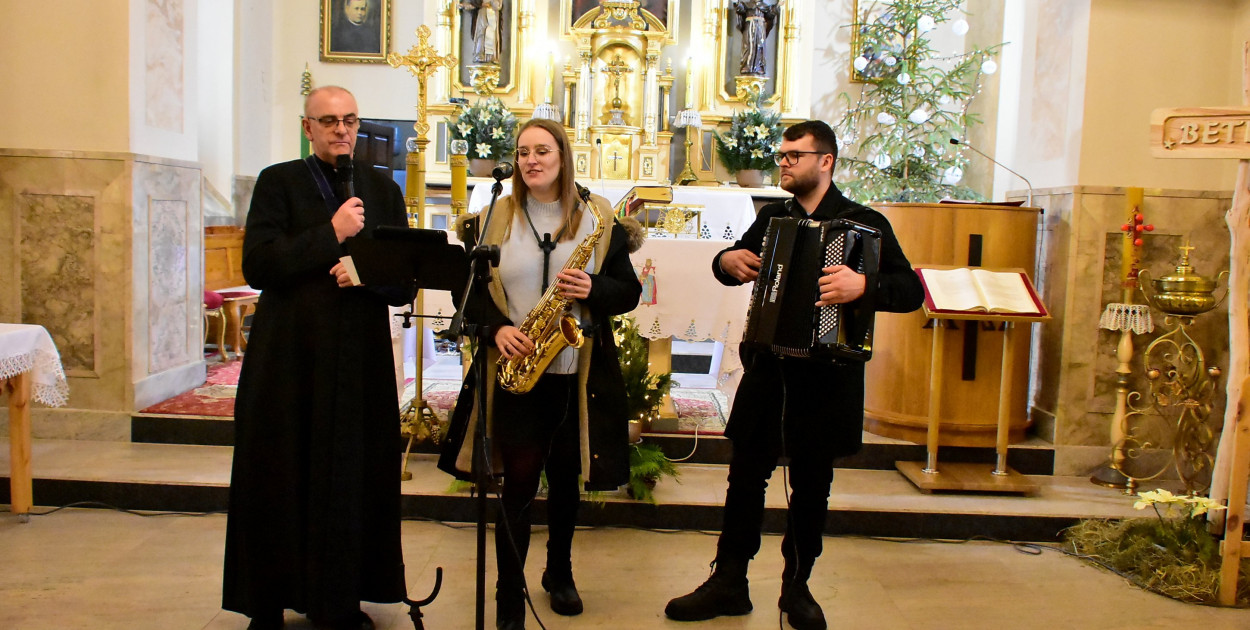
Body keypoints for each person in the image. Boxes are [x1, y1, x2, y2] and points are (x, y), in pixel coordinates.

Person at [665, 120, 924, 630]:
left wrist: (861, 285)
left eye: (794, 156)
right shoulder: (772, 219)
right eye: (781, 155)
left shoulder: (863, 223)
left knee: (811, 485)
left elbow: (910, 290)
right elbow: (731, 262)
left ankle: (797, 588)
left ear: (825, 161)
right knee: (744, 477)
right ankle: (729, 583)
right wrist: (727, 259)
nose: (783, 163)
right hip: (768, 368)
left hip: (827, 374)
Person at [437, 117, 644, 630]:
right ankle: (510, 595)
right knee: (520, 483)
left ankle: (560, 570)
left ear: (562, 157)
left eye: (543, 151)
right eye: (524, 151)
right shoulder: (494, 216)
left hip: (576, 370)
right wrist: (495, 331)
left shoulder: (596, 216)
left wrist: (592, 288)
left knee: (568, 478)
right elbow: (467, 297)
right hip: (518, 369)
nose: (532, 160)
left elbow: (629, 292)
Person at [222, 86, 412, 630]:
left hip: (358, 363)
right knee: (279, 474)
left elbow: (402, 284)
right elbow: (258, 264)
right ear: (308, 127)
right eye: (328, 121)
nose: (341, 130)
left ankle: (340, 600)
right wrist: (330, 234)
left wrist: (367, 274)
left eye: (349, 120)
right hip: (289, 361)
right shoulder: (278, 182)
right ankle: (267, 600)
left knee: (350, 478)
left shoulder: (380, 188)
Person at [733, 0, 778, 76]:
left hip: (760, 28)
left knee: (759, 46)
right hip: (749, 26)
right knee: (748, 45)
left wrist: (777, 6)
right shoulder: (747, 5)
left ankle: (759, 67)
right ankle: (747, 67)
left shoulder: (764, 6)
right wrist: (737, 4)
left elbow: (770, 14)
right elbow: (741, 9)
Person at [461, 0, 504, 64]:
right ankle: (480, 54)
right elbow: (473, 3)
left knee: (492, 36)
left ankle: (491, 56)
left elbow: (498, 6)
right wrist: (479, 4)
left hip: (492, 15)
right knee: (481, 34)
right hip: (482, 14)